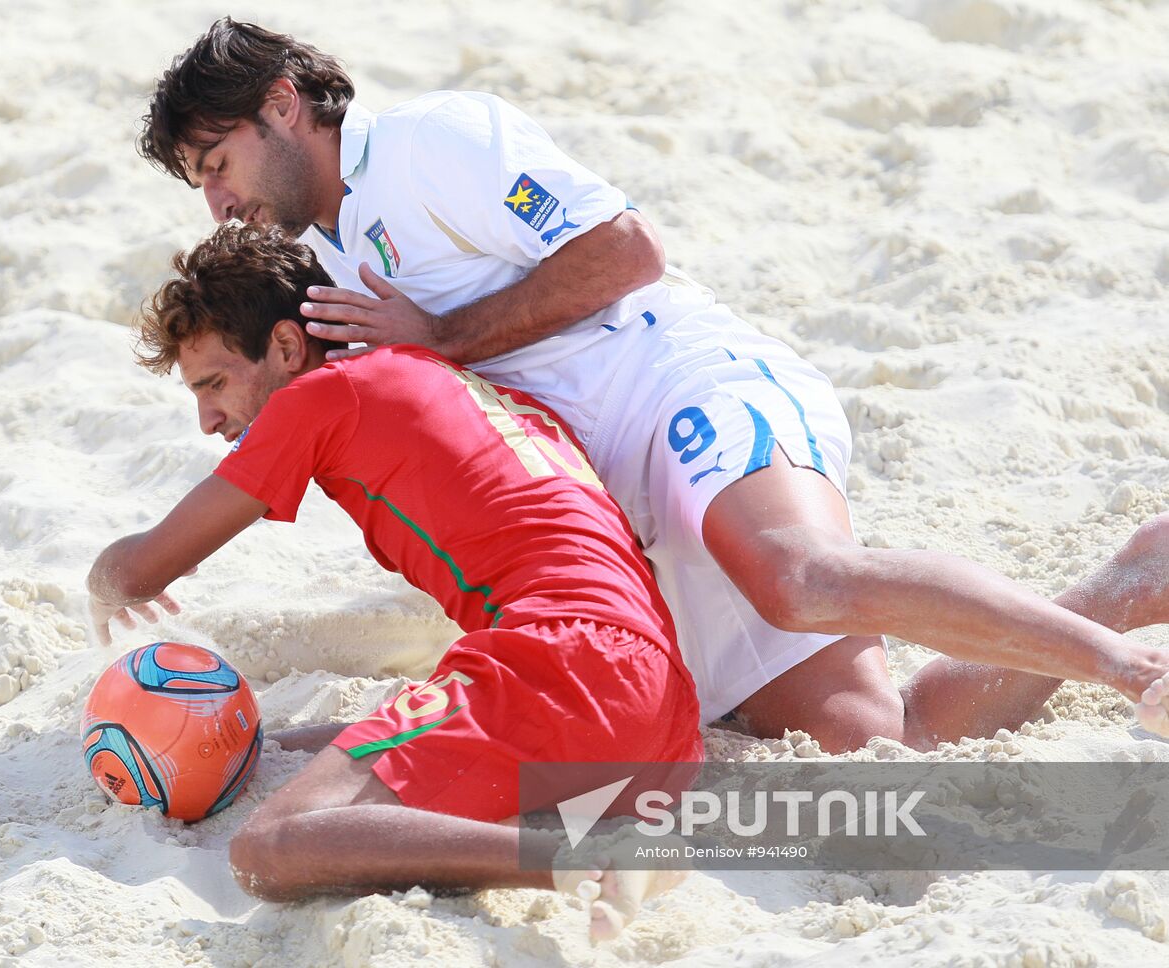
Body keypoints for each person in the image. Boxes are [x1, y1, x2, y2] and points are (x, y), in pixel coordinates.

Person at [134, 19, 1169, 749]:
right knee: (879, 737)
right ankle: (1131, 583)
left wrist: (444, 335)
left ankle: (1130, 672)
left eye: (218, 163)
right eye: (198, 182)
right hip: (621, 504)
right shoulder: (324, 263)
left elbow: (627, 251)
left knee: (799, 575)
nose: (215, 200)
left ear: (282, 105)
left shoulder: (431, 142)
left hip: (680, 388)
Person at [85, 222, 702, 940]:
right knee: (316, 750)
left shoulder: (322, 396)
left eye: (214, 384)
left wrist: (100, 586)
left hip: (564, 667)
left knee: (269, 851)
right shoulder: (429, 373)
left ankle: (584, 862)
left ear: (285, 346)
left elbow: (137, 571)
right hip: (662, 716)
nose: (207, 418)